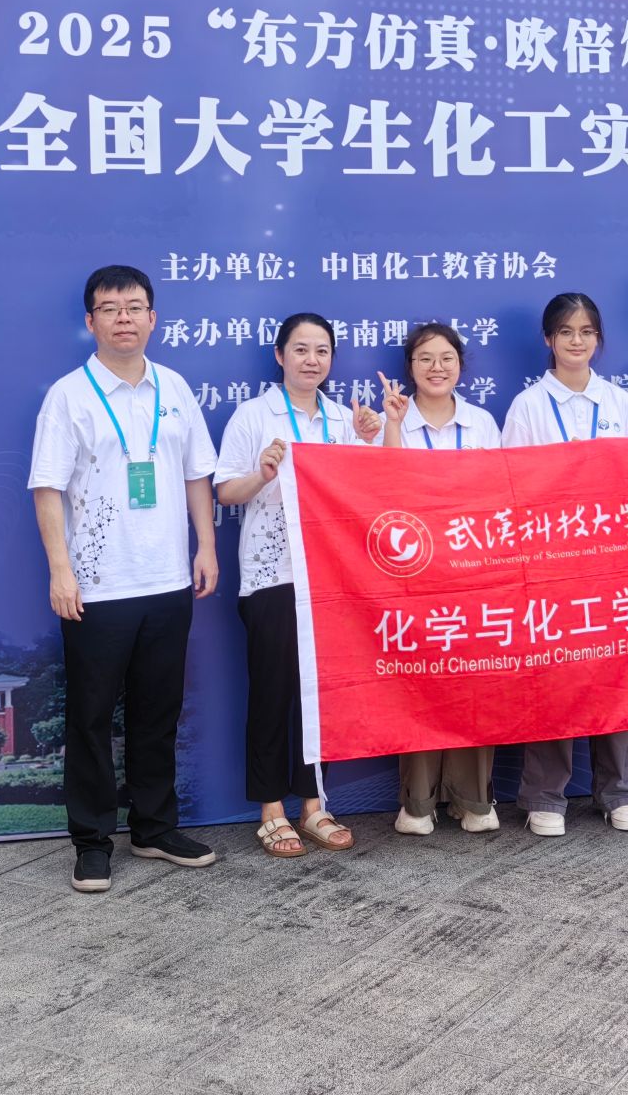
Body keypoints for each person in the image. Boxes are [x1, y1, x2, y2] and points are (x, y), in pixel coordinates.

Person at [27, 264, 222, 894]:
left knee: (157, 712)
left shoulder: (174, 387)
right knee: (89, 718)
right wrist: (61, 570)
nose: (124, 319)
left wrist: (206, 546)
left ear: (152, 318)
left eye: (135, 307)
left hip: (166, 579)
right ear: (91, 322)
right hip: (98, 586)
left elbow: (197, 474)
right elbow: (47, 488)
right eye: (110, 309)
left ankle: (154, 828)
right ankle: (91, 842)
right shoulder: (69, 396)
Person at [214, 313, 383, 858]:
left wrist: (369, 440)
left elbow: (367, 491)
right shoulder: (253, 415)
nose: (312, 360)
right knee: (273, 691)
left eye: (322, 351)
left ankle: (314, 804)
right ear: (280, 355)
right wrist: (262, 473)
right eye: (302, 349)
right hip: (273, 575)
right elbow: (225, 492)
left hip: (330, 577)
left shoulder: (343, 419)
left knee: (321, 696)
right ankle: (271, 810)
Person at [500, 292, 628, 838]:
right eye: (565, 331)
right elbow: (511, 486)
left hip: (612, 562)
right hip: (550, 561)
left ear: (598, 339)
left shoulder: (618, 403)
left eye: (586, 331)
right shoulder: (528, 407)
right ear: (548, 339)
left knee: (614, 673)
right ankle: (545, 795)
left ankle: (620, 792)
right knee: (554, 677)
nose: (576, 341)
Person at [379, 323, 503, 836]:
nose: (437, 367)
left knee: (473, 681)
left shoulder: (482, 422)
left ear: (460, 365)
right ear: (410, 367)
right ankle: (419, 803)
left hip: (473, 569)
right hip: (412, 572)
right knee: (419, 683)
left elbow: (498, 495)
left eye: (447, 357)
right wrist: (391, 425)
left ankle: (473, 799)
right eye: (425, 358)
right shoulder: (396, 419)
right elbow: (383, 490)